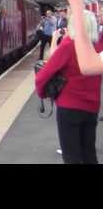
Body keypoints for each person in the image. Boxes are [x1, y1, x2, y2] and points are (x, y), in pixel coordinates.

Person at [35, 9, 103, 164]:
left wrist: (42, 93)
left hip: (69, 107)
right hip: (92, 107)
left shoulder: (69, 45)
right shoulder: (98, 46)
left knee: (71, 155)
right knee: (89, 153)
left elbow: (44, 74)